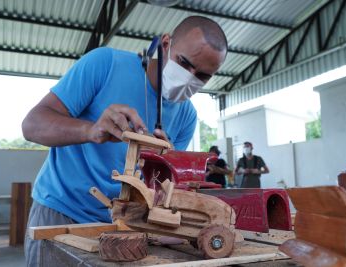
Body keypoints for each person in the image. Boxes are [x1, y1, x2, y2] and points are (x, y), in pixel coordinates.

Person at [22, 16, 228, 266]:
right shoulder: (105, 64)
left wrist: (160, 164)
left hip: (124, 224)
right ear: (165, 44)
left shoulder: (187, 116)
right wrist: (92, 130)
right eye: (184, 63)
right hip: (60, 213)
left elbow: (162, 188)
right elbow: (32, 125)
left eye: (202, 76)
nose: (189, 77)